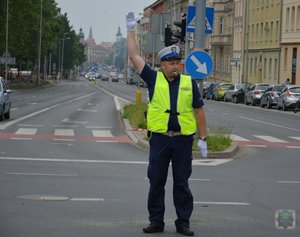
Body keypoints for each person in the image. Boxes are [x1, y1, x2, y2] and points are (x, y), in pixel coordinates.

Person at [126, 12, 207, 236]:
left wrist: (203, 138)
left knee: (182, 183)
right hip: (160, 140)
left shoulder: (190, 83)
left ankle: (183, 223)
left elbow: (199, 110)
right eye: (171, 63)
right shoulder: (154, 77)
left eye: (177, 63)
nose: (175, 67)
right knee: (156, 182)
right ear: (162, 64)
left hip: (182, 141)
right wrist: (130, 30)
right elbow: (134, 56)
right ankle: (156, 221)